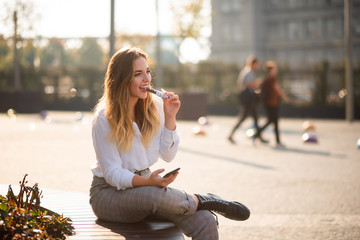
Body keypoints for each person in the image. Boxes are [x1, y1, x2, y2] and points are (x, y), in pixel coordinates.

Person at [89, 47, 250, 240]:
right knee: (154, 196)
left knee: (205, 219)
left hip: (146, 187)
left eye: (148, 72)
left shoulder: (155, 106)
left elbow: (168, 155)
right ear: (122, 79)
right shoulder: (104, 117)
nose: (147, 79)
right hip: (109, 194)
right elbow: (113, 174)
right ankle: (205, 199)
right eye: (138, 74)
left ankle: (201, 204)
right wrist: (148, 182)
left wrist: (170, 118)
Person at [228, 56, 267, 144]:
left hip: (248, 99)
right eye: (257, 64)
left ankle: (259, 136)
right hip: (249, 99)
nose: (257, 66)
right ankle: (230, 135)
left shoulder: (246, 71)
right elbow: (248, 84)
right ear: (253, 64)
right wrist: (258, 83)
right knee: (245, 117)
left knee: (255, 117)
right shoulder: (248, 72)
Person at [255, 61, 290, 147]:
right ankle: (258, 134)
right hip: (271, 103)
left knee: (273, 121)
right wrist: (285, 97)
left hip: (271, 103)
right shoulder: (271, 79)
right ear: (270, 71)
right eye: (274, 69)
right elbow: (277, 89)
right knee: (273, 121)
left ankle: (259, 134)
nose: (276, 70)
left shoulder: (267, 79)